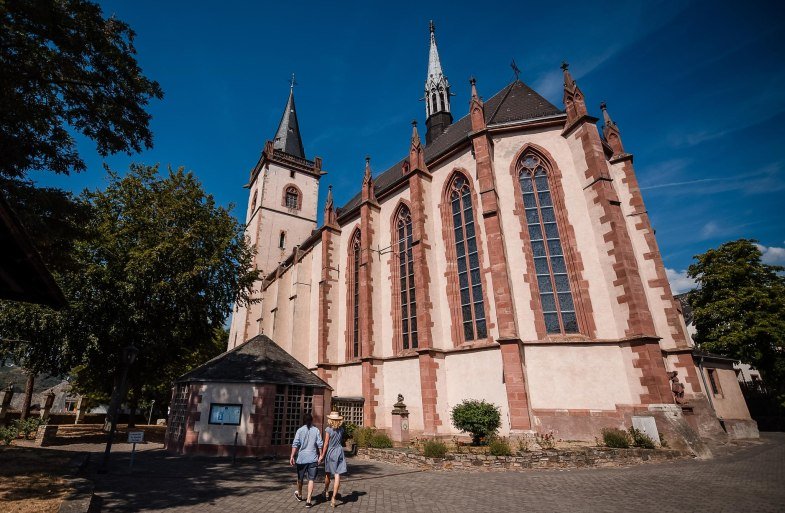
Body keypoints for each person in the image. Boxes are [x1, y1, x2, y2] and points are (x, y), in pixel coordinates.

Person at [290, 413, 323, 508]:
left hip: (302, 459)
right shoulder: (316, 430)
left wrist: (292, 456)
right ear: (312, 420)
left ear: (303, 421)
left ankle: (300, 495)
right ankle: (308, 500)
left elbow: (295, 444)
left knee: (300, 478)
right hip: (313, 458)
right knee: (311, 479)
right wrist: (320, 455)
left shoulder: (300, 430)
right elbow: (320, 444)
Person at [318, 411, 348, 508]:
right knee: (337, 475)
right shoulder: (341, 430)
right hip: (339, 451)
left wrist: (322, 455)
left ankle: (326, 491)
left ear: (330, 419)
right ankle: (334, 498)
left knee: (328, 473)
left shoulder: (328, 429)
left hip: (331, 452)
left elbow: (326, 444)